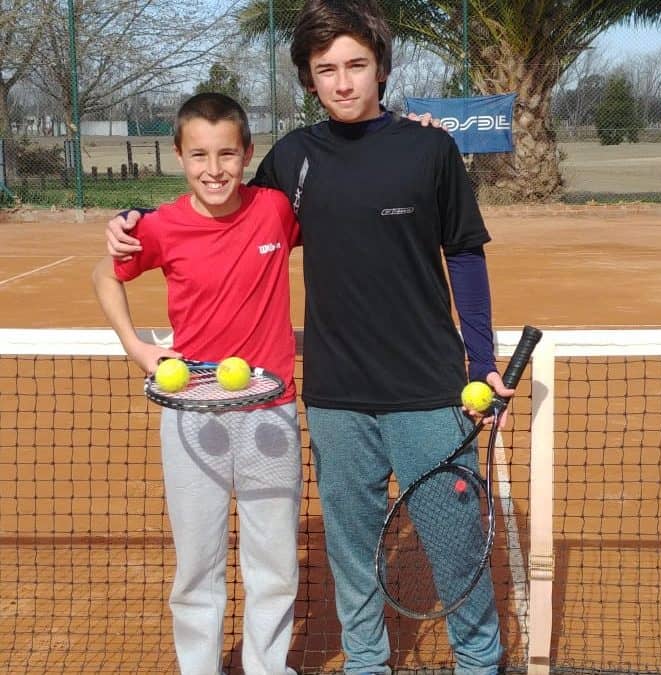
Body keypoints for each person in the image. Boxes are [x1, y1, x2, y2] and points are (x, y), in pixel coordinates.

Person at [105, 2, 515, 673]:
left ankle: (478, 661)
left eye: (357, 65)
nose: (344, 82)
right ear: (309, 79)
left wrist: (482, 359)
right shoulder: (293, 158)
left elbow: (465, 255)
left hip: (431, 391)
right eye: (327, 69)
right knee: (352, 560)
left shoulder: (430, 149)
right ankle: (365, 663)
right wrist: (136, 219)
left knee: (455, 547)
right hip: (335, 399)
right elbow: (220, 203)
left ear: (380, 67)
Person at [93, 92, 301, 675]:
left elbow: (348, 204)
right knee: (198, 565)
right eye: (200, 156)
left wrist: (411, 128)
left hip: (271, 412)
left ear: (248, 154)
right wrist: (136, 346)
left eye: (228, 154)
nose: (215, 170)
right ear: (180, 157)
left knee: (276, 563)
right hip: (190, 417)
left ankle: (267, 667)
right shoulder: (159, 227)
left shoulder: (276, 211)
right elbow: (103, 274)